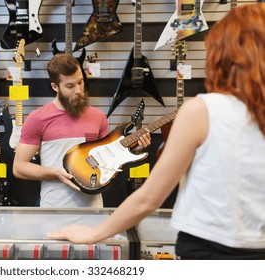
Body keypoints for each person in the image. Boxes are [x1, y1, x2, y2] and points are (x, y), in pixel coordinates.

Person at [48, 4, 265, 259]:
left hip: (206, 250)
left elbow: (149, 198)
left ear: (222, 54)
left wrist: (94, 234)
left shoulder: (201, 111)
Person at [13, 53, 151, 208]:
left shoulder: (98, 117)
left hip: (93, 210)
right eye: (70, 86)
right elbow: (19, 167)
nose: (78, 90)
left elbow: (108, 159)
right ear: (55, 87)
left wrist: (134, 148)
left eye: (80, 82)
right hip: (53, 209)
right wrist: (55, 173)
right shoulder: (37, 118)